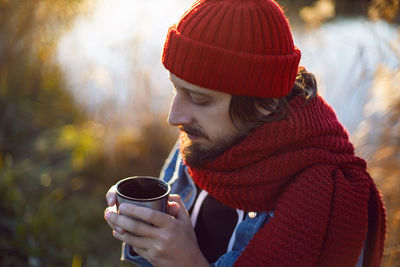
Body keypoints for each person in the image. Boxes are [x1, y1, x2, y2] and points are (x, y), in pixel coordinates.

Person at [104, 0, 387, 266]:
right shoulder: (197, 144)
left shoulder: (336, 200)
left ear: (264, 104)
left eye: (200, 99)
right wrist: (142, 234)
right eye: (176, 89)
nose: (174, 117)